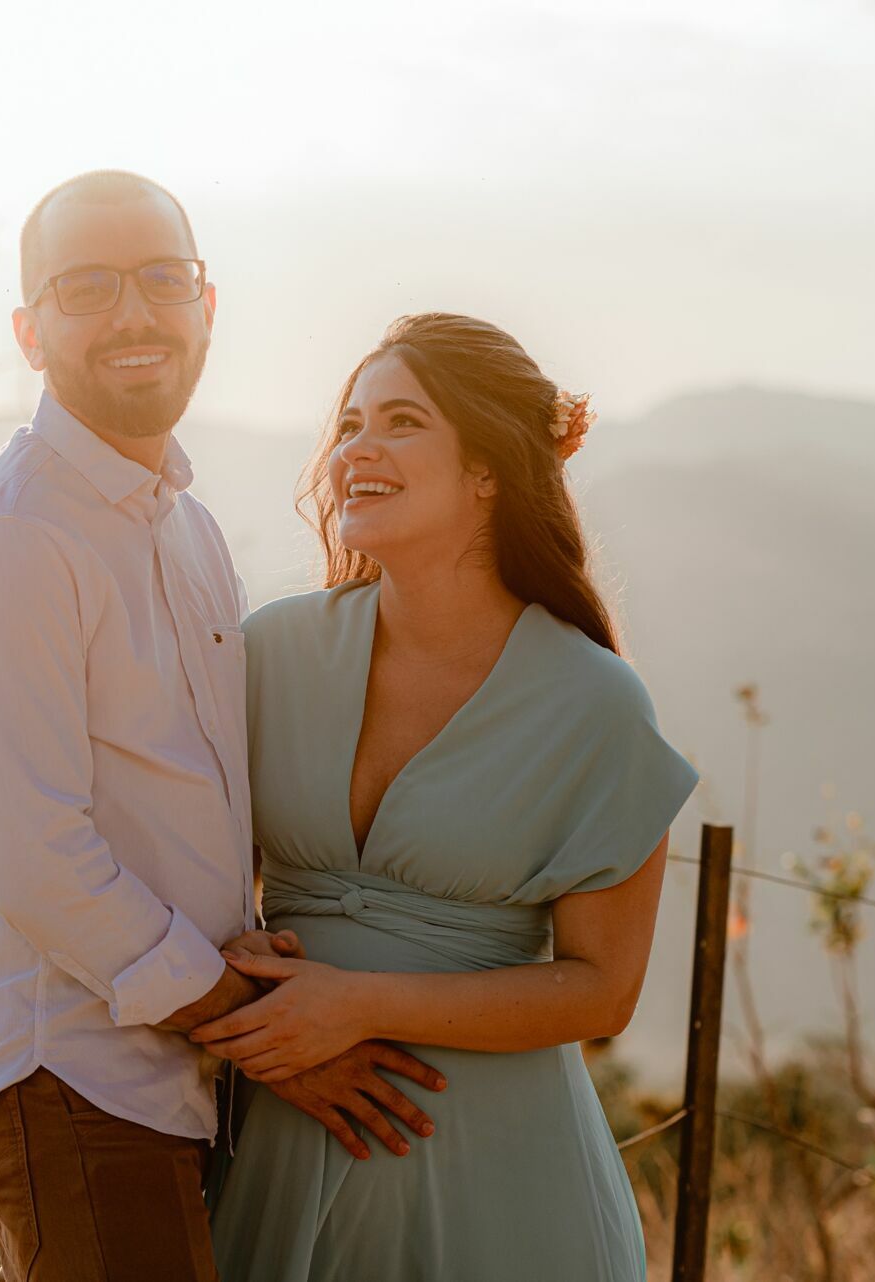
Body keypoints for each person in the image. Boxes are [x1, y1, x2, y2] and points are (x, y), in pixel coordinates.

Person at [0, 172, 444, 1282]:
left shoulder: (188, 530)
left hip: (175, 1070)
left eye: (162, 278)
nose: (135, 314)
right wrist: (257, 1027)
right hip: (74, 1072)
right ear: (29, 329)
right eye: (87, 286)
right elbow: (39, 865)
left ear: (206, 302)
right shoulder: (14, 543)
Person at [194, 313, 699, 1281]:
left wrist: (359, 1003)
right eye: (348, 425)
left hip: (500, 1182)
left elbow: (603, 989)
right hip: (279, 1141)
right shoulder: (269, 653)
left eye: (401, 421)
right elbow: (188, 863)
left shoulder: (592, 700)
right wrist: (240, 950)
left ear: (489, 468)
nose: (358, 449)